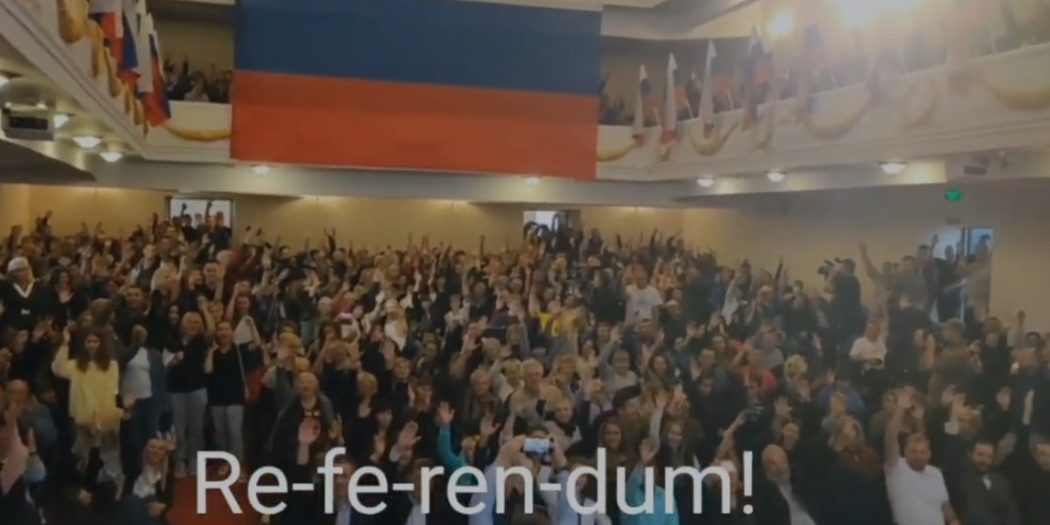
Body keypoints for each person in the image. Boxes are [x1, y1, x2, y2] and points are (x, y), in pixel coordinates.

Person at [884, 387, 959, 525]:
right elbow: (890, 440)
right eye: (913, 451)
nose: (918, 456)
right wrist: (900, 409)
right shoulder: (896, 468)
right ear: (905, 452)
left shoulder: (936, 473)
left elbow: (948, 511)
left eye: (922, 452)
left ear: (929, 454)